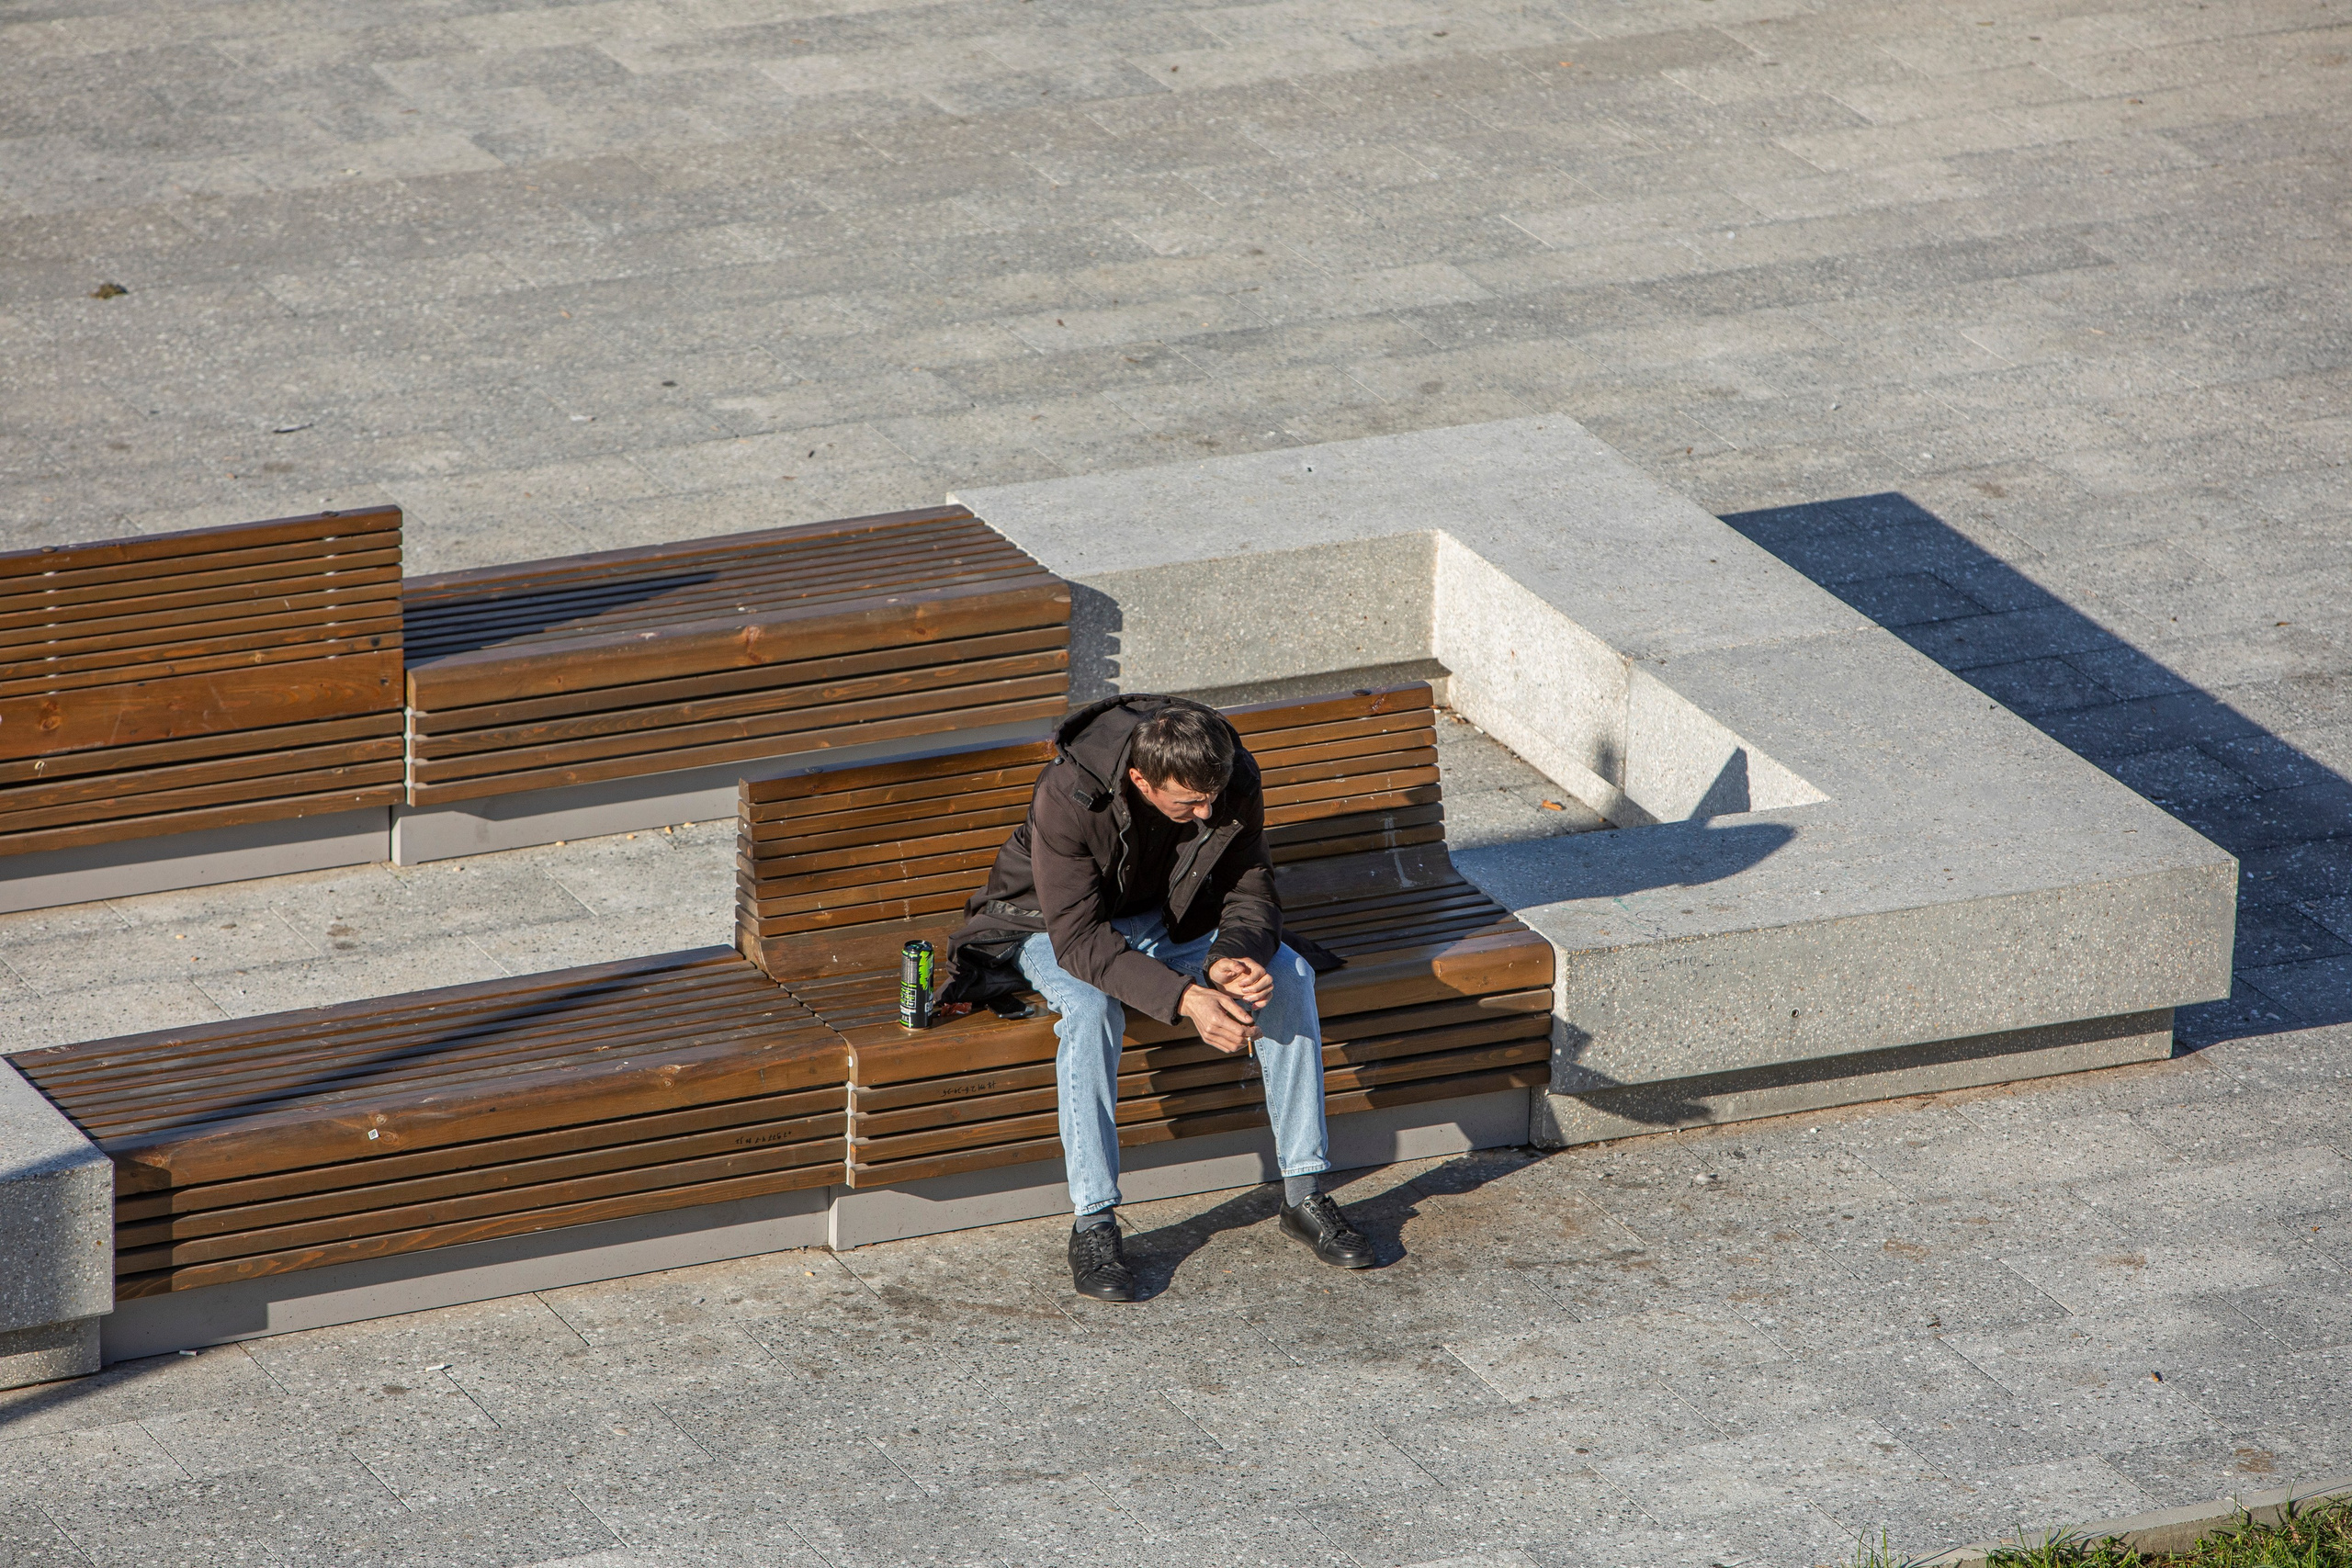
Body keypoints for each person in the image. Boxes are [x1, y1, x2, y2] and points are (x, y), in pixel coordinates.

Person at [944, 694, 1375, 1300]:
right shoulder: (1068, 794)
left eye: (1211, 799)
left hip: (1165, 922)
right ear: (1141, 779)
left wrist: (1232, 955)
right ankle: (1093, 1221)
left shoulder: (1229, 775)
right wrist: (1188, 999)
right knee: (1090, 1009)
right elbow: (1081, 945)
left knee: (1290, 973)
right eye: (1188, 803)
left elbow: (1251, 888)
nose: (1205, 814)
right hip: (1042, 926)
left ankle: (1304, 1193)